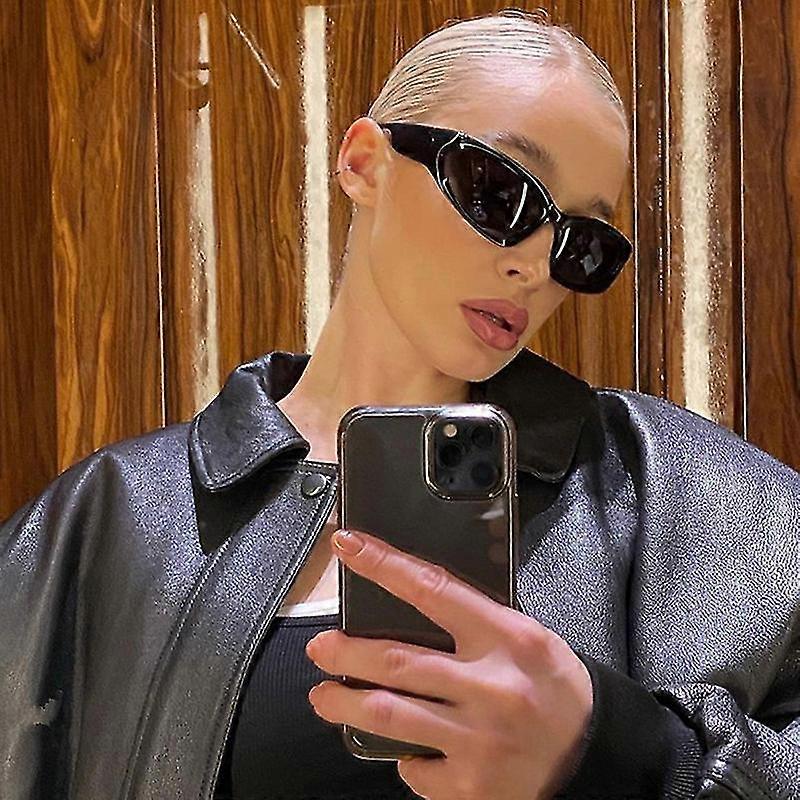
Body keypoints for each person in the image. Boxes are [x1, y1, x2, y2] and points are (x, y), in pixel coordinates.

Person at [1, 8, 798, 800]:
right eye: (499, 193)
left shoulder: (677, 493)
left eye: (579, 244)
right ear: (363, 163)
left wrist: (625, 756)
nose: (533, 266)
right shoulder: (115, 518)